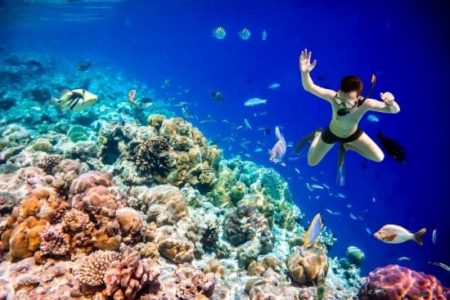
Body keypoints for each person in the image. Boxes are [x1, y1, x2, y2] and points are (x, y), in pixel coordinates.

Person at [297, 49, 400, 183]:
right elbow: (309, 87)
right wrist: (305, 73)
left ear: (358, 100)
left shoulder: (366, 103)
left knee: (379, 157)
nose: (341, 105)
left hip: (353, 135)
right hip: (331, 133)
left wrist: (391, 102)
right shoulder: (332, 96)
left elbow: (394, 110)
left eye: (347, 104)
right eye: (340, 100)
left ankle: (348, 146)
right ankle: (317, 135)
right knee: (312, 162)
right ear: (339, 91)